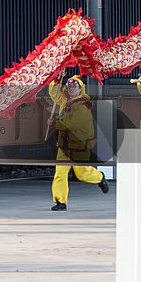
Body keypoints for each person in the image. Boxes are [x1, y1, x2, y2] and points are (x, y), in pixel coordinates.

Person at [47, 75, 110, 211]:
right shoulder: (65, 101)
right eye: (69, 86)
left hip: (79, 145)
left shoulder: (83, 106)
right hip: (64, 145)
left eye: (74, 87)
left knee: (82, 173)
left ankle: (99, 177)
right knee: (60, 173)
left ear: (81, 89)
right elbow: (54, 93)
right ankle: (60, 202)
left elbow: (72, 125)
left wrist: (54, 124)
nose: (71, 89)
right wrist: (56, 80)